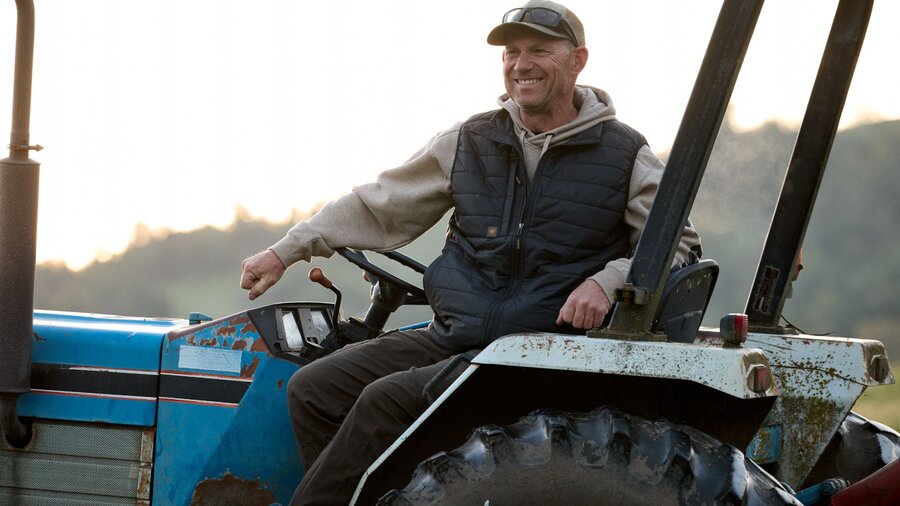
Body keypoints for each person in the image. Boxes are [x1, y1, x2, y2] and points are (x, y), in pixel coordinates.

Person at [240, 1, 701, 503]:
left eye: (539, 50)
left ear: (578, 60)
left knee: (382, 402)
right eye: (511, 52)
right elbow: (379, 204)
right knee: (315, 388)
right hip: (454, 336)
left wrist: (606, 282)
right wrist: (286, 251)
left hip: (538, 355)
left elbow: (679, 245)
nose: (521, 64)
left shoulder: (626, 154)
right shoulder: (470, 140)